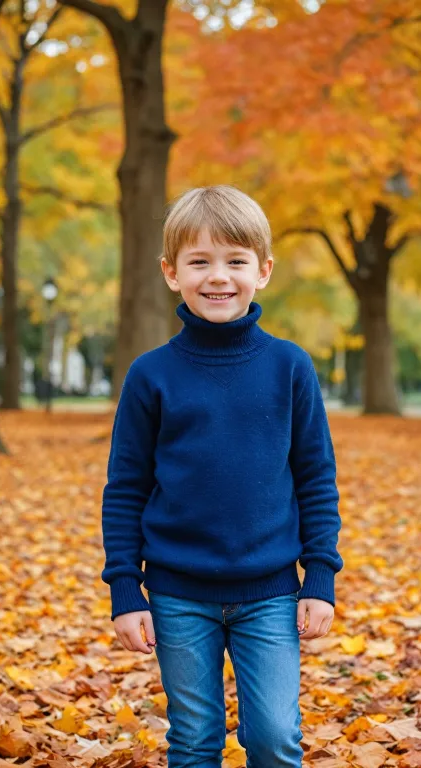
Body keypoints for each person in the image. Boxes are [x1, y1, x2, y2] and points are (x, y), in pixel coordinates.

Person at [101, 185, 343, 767]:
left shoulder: (290, 367)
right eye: (199, 261)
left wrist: (321, 577)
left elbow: (315, 478)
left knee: (276, 739)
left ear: (262, 271)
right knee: (193, 741)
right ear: (170, 272)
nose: (219, 277)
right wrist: (123, 589)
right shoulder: (151, 375)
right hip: (178, 594)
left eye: (235, 261)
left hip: (271, 593)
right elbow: (126, 487)